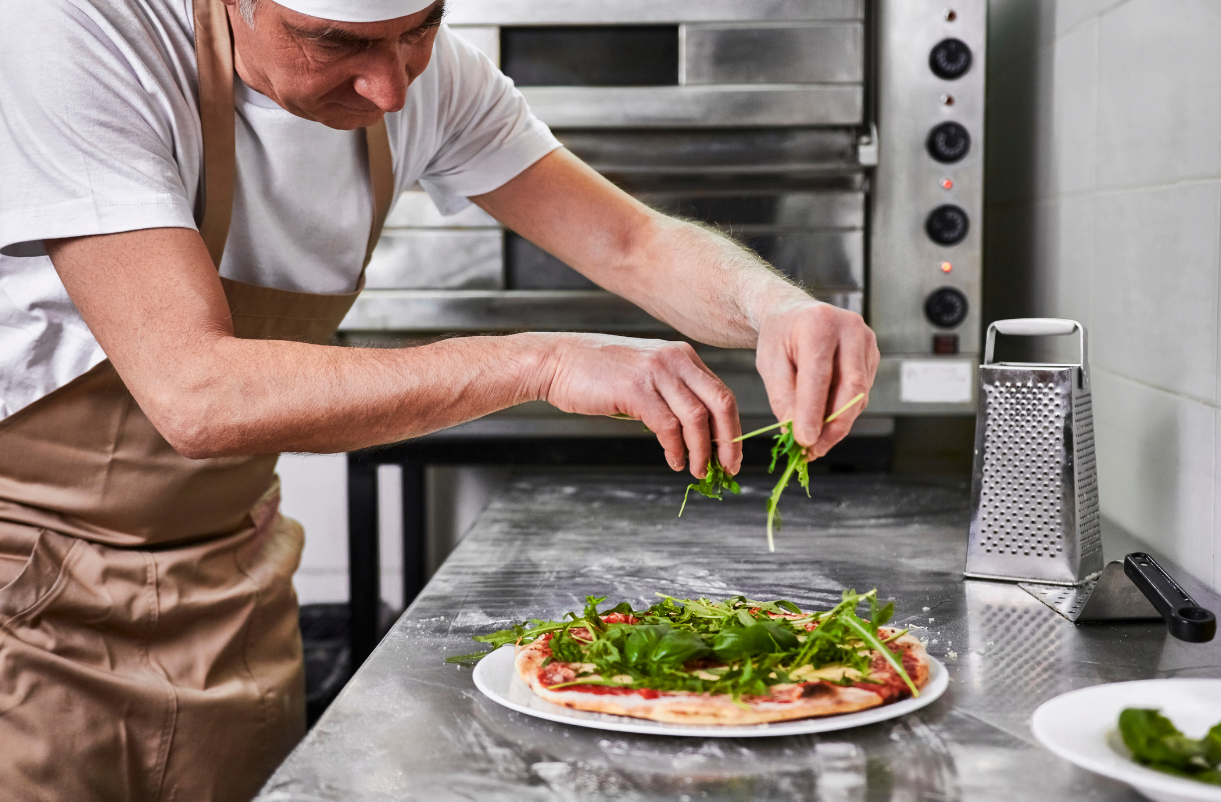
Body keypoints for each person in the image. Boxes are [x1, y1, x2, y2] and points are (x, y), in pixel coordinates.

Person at [0, 0, 880, 798]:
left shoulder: (423, 71)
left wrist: (780, 307)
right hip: (30, 598)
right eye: (337, 42)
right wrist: (540, 362)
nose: (389, 86)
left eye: (419, 27)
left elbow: (630, 241)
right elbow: (197, 394)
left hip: (226, 584)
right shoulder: (76, 35)